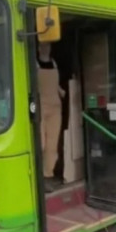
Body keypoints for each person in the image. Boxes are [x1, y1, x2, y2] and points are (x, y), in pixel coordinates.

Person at [37, 41, 66, 191]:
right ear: (38, 48)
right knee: (40, 143)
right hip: (41, 107)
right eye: (42, 46)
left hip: (55, 108)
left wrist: (62, 92)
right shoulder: (35, 65)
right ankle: (38, 175)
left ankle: (47, 176)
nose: (45, 48)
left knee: (52, 145)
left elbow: (55, 86)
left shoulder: (54, 63)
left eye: (47, 46)